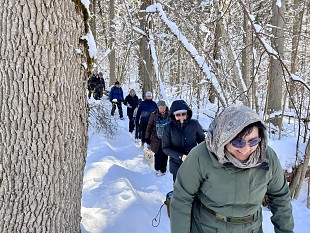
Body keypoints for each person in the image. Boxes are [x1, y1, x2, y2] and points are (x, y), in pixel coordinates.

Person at [170, 104, 294, 233]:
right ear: (223, 138)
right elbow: (182, 199)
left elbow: (280, 197)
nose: (245, 149)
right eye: (238, 142)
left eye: (253, 141)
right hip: (208, 227)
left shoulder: (267, 157)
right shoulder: (201, 156)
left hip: (252, 228)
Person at [162, 100, 205, 183]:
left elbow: (202, 142)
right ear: (173, 115)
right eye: (178, 114)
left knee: (194, 187)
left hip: (193, 163)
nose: (181, 117)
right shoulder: (168, 128)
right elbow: (165, 148)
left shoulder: (194, 124)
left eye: (183, 114)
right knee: (178, 188)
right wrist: (180, 156)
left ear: (187, 114)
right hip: (176, 164)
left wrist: (200, 156)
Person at [145, 100, 170, 176]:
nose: (162, 109)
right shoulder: (154, 115)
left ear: (165, 107)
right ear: (158, 108)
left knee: (165, 154)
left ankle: (163, 170)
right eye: (160, 107)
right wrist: (147, 137)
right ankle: (157, 169)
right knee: (158, 153)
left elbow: (173, 126)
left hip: (166, 137)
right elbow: (149, 126)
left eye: (163, 107)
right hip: (156, 137)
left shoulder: (169, 115)